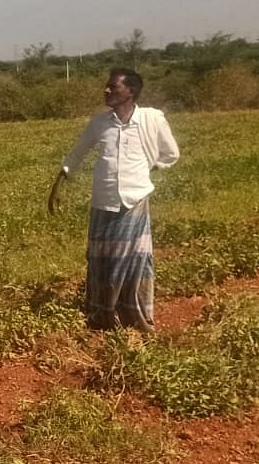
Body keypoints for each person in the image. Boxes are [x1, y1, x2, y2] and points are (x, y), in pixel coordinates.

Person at [48, 68, 180, 331]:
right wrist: (58, 184)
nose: (106, 91)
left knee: (134, 262)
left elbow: (171, 153)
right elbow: (77, 153)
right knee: (101, 261)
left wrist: (149, 169)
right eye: (106, 87)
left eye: (113, 87)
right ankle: (103, 317)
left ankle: (135, 318)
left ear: (130, 91)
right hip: (103, 201)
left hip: (135, 200)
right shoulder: (100, 123)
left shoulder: (151, 119)